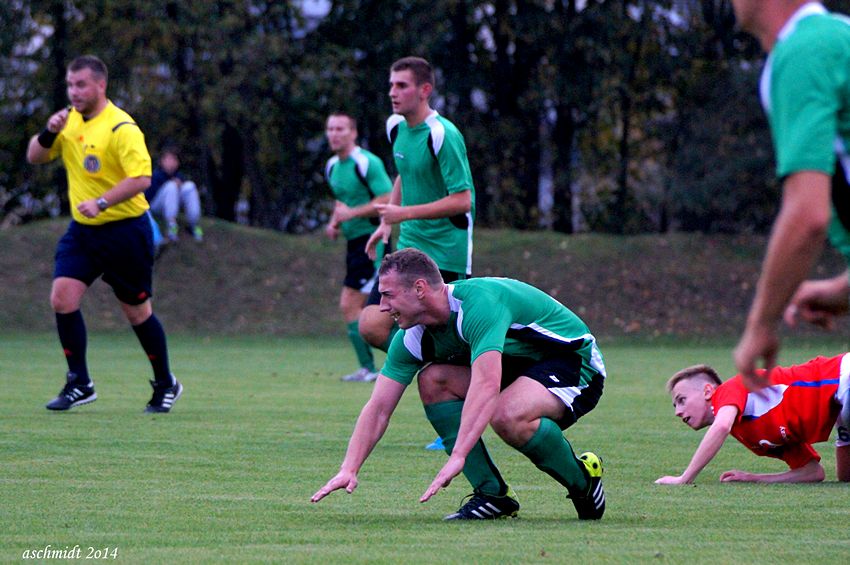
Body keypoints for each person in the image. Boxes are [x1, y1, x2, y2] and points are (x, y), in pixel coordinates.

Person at [312, 248, 607, 521]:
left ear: (419, 288)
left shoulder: (478, 305)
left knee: (507, 414)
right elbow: (378, 408)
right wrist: (349, 468)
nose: (383, 307)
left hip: (573, 361)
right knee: (433, 381)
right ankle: (492, 494)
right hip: (516, 367)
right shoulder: (412, 337)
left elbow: (486, 385)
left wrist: (458, 455)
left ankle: (584, 481)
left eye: (388, 295)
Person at [25, 54, 183, 413]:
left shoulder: (121, 127)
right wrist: (49, 131)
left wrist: (102, 201)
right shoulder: (67, 121)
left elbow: (142, 179)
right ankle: (79, 382)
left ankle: (165, 383)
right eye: (69, 84)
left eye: (81, 84)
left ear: (101, 85)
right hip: (83, 232)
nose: (74, 91)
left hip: (126, 231)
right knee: (62, 298)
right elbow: (35, 156)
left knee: (137, 313)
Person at [732, 1, 850, 389]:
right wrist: (841, 292)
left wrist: (761, 324)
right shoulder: (834, 38)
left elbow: (807, 215)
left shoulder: (804, 52)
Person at [360, 56, 475, 353]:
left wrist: (403, 213)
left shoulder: (442, 134)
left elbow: (463, 200)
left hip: (445, 255)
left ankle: (465, 379)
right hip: (409, 248)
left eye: (401, 86)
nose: (392, 93)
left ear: (425, 90)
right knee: (372, 324)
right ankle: (428, 368)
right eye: (391, 85)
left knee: (451, 343)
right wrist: (387, 223)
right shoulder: (395, 127)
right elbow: (406, 173)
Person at [655, 355, 850, 485]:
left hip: (843, 376)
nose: (678, 412)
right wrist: (754, 477)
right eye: (675, 406)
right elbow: (813, 472)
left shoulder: (730, 388)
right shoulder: (748, 435)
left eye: (682, 400)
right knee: (845, 477)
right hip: (841, 407)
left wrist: (684, 478)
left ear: (708, 391)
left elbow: (721, 426)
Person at [323, 112, 393, 382]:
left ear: (353, 133)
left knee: (355, 305)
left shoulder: (366, 162)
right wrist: (334, 223)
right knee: (362, 308)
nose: (334, 134)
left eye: (340, 128)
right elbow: (342, 203)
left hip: (373, 241)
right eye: (330, 129)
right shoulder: (332, 166)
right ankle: (369, 368)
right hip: (354, 245)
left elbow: (386, 197)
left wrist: (351, 215)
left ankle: (382, 365)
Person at [146, 147, 203, 242]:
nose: (171, 163)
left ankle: (194, 224)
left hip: (173, 204)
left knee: (190, 186)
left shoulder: (178, 175)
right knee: (171, 186)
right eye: (168, 159)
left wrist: (180, 184)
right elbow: (148, 196)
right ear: (161, 161)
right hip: (155, 206)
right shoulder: (156, 175)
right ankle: (172, 227)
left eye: (174, 159)